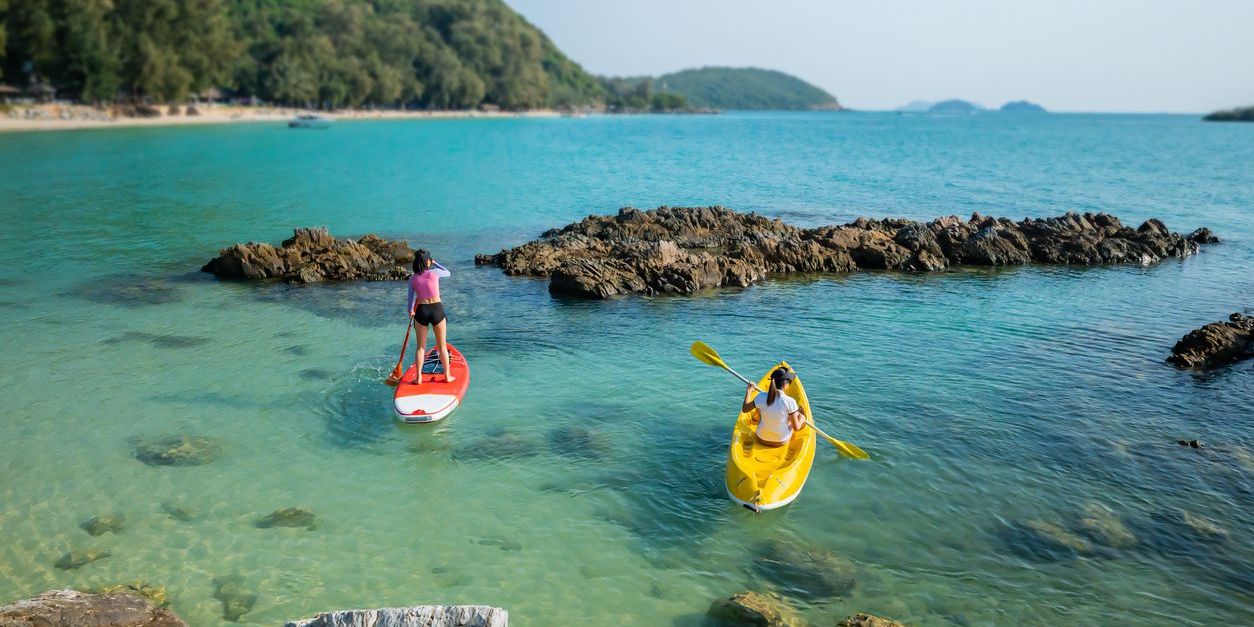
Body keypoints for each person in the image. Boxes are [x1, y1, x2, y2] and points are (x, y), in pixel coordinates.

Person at [406, 249, 455, 384]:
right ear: (427, 261)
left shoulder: (413, 279)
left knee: (420, 347)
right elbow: (448, 272)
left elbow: (410, 300)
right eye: (429, 259)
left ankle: (418, 378)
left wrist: (411, 311)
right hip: (437, 309)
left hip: (421, 311)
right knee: (442, 346)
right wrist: (436, 263)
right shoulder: (435, 272)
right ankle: (447, 376)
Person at [741, 367, 806, 446]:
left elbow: (745, 409)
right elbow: (796, 428)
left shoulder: (761, 396)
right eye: (789, 382)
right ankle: (799, 415)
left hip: (761, 438)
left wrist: (749, 390)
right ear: (785, 384)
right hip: (781, 441)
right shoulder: (790, 401)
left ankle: (756, 417)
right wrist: (802, 418)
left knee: (762, 409)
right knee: (797, 416)